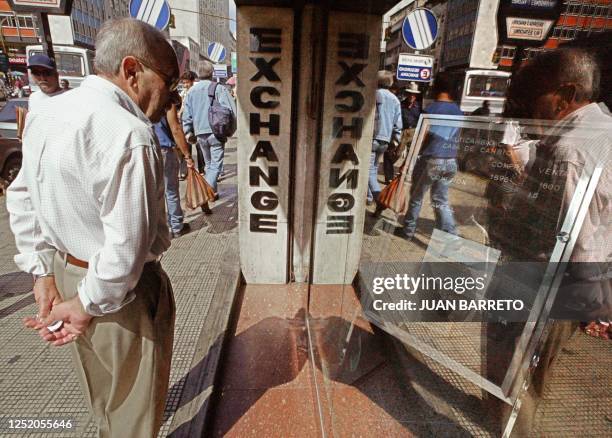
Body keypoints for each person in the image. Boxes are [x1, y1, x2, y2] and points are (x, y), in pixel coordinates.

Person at [7, 18, 180, 437]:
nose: (171, 94)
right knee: (133, 416)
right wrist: (86, 304)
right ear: (132, 70)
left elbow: (21, 196)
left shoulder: (48, 114)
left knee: (102, 399)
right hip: (118, 292)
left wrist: (44, 273)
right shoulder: (129, 133)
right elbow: (125, 250)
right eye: (168, 80)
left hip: (69, 275)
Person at [489, 48, 611, 435]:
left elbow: (568, 238)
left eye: (535, 98)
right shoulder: (603, 128)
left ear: (566, 94)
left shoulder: (569, 150)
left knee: (510, 377)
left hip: (541, 285)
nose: (528, 109)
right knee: (532, 373)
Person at [398, 73, 463, 239]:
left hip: (432, 159)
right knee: (441, 200)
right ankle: (451, 236)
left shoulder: (432, 109)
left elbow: (421, 138)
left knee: (416, 197)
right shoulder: (458, 111)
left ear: (436, 87)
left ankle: (408, 231)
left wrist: (407, 161)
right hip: (450, 161)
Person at [182, 60, 236, 198]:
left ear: (198, 74)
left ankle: (213, 193)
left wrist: (188, 132)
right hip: (216, 131)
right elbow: (232, 111)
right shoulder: (219, 88)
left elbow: (187, 115)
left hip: (200, 133)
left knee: (208, 164)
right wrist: (230, 131)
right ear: (212, 73)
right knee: (216, 166)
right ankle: (206, 191)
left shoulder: (191, 91)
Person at [154, 102, 199, 237]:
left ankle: (157, 229)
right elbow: (175, 129)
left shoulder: (139, 98)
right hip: (164, 149)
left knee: (153, 192)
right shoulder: (166, 101)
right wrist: (187, 155)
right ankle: (176, 226)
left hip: (147, 147)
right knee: (171, 190)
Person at [368, 70, 402, 205]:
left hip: (372, 138)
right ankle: (369, 197)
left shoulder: (374, 95)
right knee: (374, 168)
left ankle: (378, 198)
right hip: (385, 140)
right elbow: (398, 124)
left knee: (369, 169)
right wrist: (396, 141)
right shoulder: (395, 99)